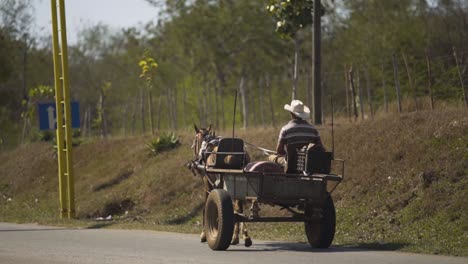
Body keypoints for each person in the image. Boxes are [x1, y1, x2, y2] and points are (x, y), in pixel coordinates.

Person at [268, 99, 324, 170]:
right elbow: (321, 148)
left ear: (291, 113)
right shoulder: (314, 130)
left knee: (271, 157)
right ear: (303, 114)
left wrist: (286, 155)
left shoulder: (285, 129)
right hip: (310, 165)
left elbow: (279, 150)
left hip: (291, 165)